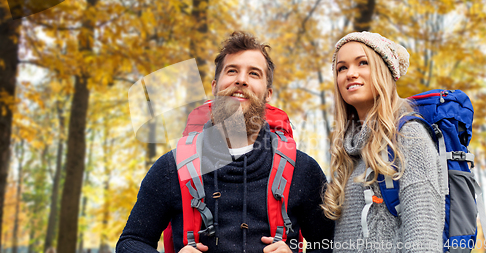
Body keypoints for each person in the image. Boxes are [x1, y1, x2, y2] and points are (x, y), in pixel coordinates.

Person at [116, 31, 335, 253]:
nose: (241, 79)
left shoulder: (303, 170)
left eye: (254, 73)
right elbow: (131, 241)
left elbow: (330, 244)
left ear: (268, 94)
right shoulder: (172, 167)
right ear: (214, 87)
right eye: (232, 71)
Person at [321, 32, 445, 252]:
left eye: (363, 63)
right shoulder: (349, 152)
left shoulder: (409, 137)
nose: (351, 73)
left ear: (384, 71)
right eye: (342, 68)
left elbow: (424, 240)